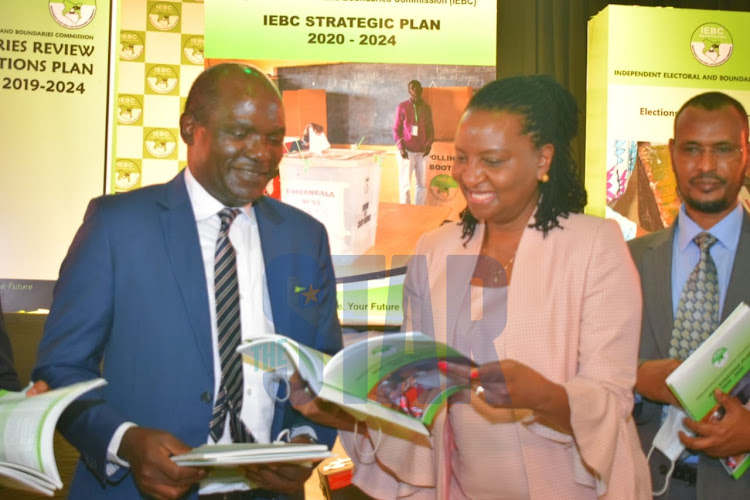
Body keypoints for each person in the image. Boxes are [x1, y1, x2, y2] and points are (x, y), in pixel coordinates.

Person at [296, 75, 651, 498]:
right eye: (462, 158)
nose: (471, 176)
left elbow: (610, 400)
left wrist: (546, 397)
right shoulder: (436, 250)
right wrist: (349, 405)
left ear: (543, 160)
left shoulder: (595, 246)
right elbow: (421, 401)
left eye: (493, 161)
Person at [32, 63, 343, 500]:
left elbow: (323, 367)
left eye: (274, 138)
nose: (261, 152)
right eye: (240, 133)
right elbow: (61, 368)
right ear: (189, 129)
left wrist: (303, 443)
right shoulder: (117, 226)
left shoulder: (306, 236)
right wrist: (125, 442)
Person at [629, 91, 750, 498]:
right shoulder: (625, 260)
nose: (705, 166)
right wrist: (634, 377)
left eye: (723, 150)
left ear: (746, 152)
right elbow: (585, 368)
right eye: (692, 149)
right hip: (643, 481)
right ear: (672, 152)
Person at [393, 80, 434, 205]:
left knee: (422, 185)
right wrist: (401, 148)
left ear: (421, 90)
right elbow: (396, 129)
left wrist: (428, 145)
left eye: (417, 88)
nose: (415, 90)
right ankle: (405, 212)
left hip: (422, 152)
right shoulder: (402, 107)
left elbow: (430, 129)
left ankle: (419, 212)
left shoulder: (426, 108)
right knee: (405, 185)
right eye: (412, 88)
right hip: (407, 152)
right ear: (409, 91)